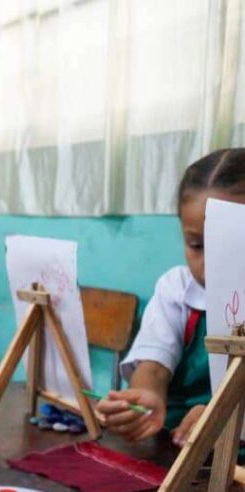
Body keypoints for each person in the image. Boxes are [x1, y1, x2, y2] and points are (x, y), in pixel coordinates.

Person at [99, 148, 245, 445]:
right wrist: (146, 394)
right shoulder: (178, 288)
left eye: (231, 246)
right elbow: (153, 367)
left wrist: (229, 418)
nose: (210, 264)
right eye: (196, 245)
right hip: (174, 447)